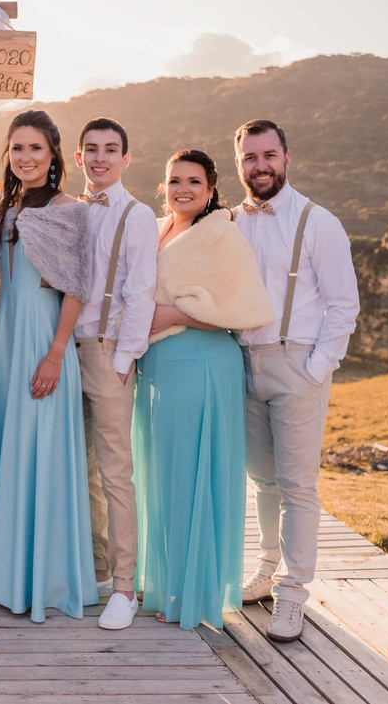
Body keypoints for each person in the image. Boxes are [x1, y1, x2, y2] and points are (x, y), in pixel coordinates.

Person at [134, 149, 273, 629]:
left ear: (212, 190)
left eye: (194, 181)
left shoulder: (220, 235)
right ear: (164, 185)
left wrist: (171, 314)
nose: (184, 189)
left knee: (193, 475)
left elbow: (242, 306)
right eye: (175, 180)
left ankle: (193, 596)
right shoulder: (153, 228)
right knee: (162, 474)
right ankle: (165, 584)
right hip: (158, 365)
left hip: (202, 362)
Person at [232, 119, 360, 642]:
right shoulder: (230, 221)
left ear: (288, 157)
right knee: (262, 480)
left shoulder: (318, 221)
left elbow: (342, 304)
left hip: (297, 363)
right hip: (241, 361)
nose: (259, 166)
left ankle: (293, 594)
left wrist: (316, 367)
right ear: (238, 162)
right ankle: (265, 569)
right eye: (249, 158)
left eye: (268, 155)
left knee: (298, 486)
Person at [0, 110, 98, 622]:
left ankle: (46, 578)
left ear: (53, 156)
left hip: (45, 342)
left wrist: (54, 354)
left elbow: (76, 290)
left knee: (42, 448)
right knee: (11, 446)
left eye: (35, 149)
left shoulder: (70, 209)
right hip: (6, 339)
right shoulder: (6, 208)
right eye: (16, 148)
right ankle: (4, 575)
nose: (24, 157)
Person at [70, 117, 158, 630]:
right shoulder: (67, 209)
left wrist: (124, 359)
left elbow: (141, 291)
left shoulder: (137, 214)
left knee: (115, 472)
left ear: (126, 158)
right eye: (91, 150)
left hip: (107, 354)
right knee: (74, 467)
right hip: (60, 351)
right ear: (78, 157)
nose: (100, 158)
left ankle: (125, 586)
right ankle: (94, 569)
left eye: (110, 149)